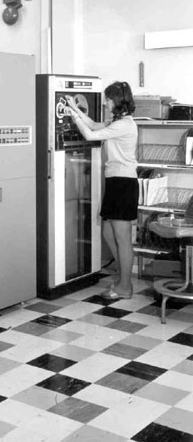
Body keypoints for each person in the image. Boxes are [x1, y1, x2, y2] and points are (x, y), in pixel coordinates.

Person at [66, 81, 138, 300]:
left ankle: (125, 286)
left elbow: (90, 135)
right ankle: (122, 277)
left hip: (123, 184)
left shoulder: (124, 124)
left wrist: (75, 118)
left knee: (122, 237)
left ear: (117, 100)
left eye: (107, 99)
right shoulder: (118, 121)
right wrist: (74, 108)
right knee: (108, 232)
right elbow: (95, 125)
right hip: (116, 182)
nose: (105, 102)